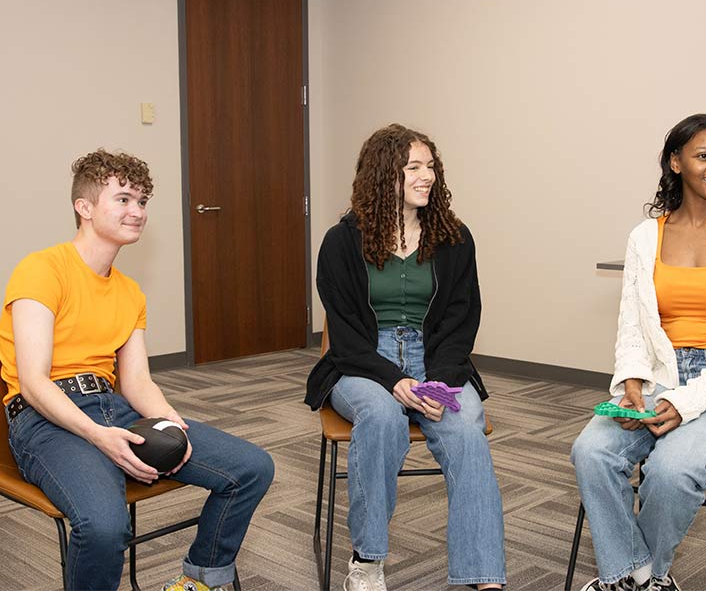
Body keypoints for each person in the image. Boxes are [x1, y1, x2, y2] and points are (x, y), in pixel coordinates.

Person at [0, 150, 274, 591]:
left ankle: (199, 580)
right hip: (44, 419)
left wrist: (174, 425)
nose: (138, 212)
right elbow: (33, 382)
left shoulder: (130, 293)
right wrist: (97, 436)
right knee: (105, 529)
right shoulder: (42, 269)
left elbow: (137, 382)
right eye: (124, 199)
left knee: (252, 468)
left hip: (112, 406)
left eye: (143, 202)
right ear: (84, 207)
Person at [571, 114, 706, 591]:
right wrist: (632, 386)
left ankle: (628, 578)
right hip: (662, 372)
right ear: (675, 162)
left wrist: (684, 403)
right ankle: (640, 577)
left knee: (673, 467)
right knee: (591, 451)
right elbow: (633, 326)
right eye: (704, 155)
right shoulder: (646, 236)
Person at [306, 124, 505, 590]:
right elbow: (346, 335)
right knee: (381, 416)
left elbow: (462, 318)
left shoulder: (454, 238)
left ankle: (484, 577)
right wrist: (393, 379)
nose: (427, 176)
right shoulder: (341, 241)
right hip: (362, 364)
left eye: (430, 166)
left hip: (434, 360)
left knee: (465, 430)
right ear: (382, 175)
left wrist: (438, 380)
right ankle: (368, 561)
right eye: (413, 167)